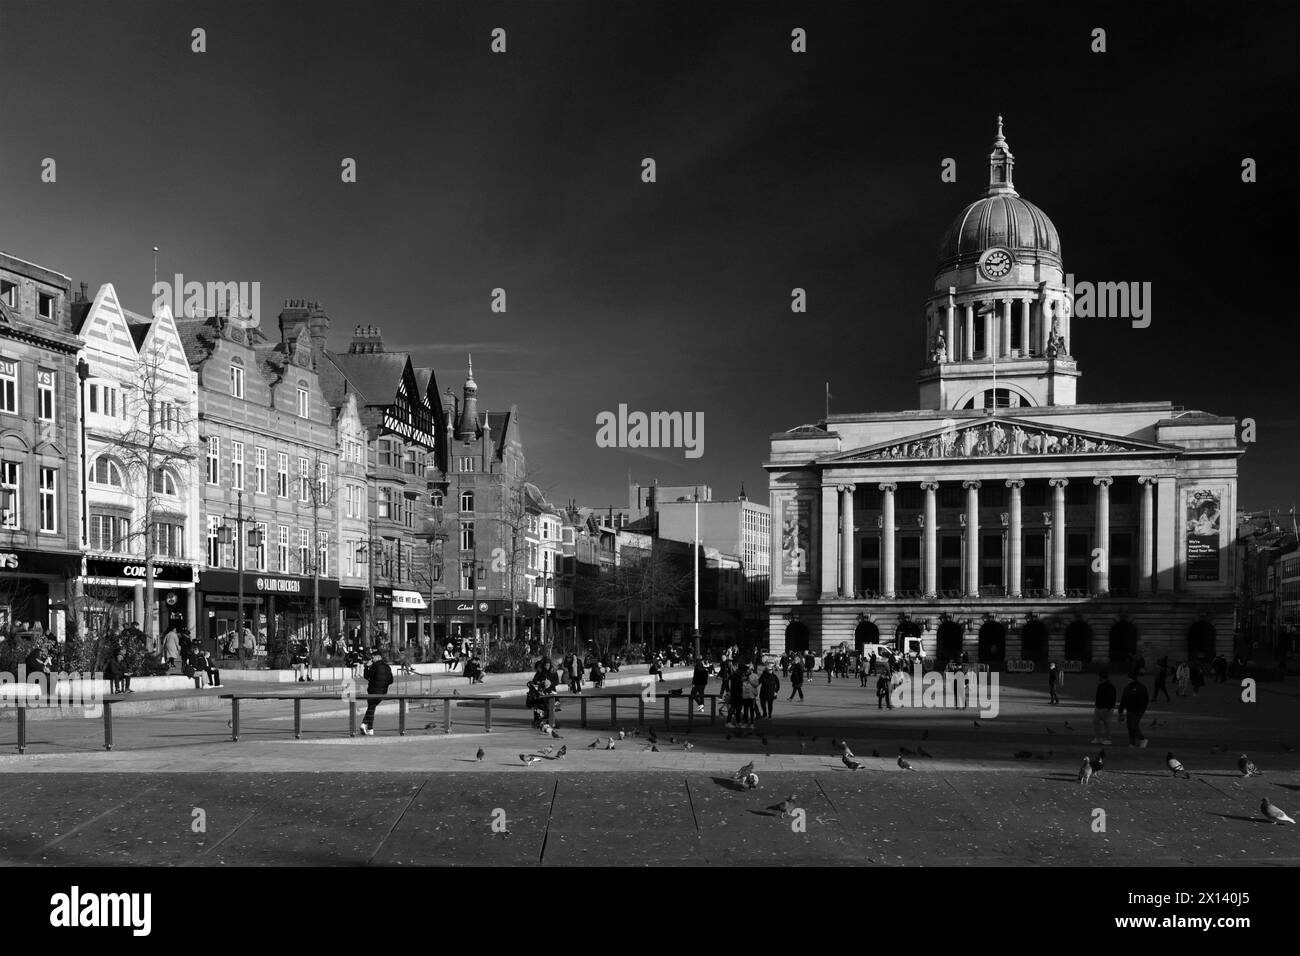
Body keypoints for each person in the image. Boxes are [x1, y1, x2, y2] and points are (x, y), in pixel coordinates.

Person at [360, 651, 394, 735]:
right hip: (383, 692)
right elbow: (391, 680)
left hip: (373, 691)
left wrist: (366, 667)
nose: (372, 659)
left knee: (371, 707)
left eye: (373, 657)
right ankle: (365, 725)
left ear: (378, 657)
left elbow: (366, 676)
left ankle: (369, 728)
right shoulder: (387, 667)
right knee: (372, 707)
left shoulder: (375, 666)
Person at [1117, 670, 1149, 748]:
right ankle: (1132, 742)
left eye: (1128, 678)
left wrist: (1141, 711)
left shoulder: (1141, 688)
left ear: (1132, 678)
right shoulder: (1127, 688)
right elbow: (1123, 700)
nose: (1127, 680)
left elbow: (1144, 701)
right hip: (1130, 710)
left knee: (1134, 726)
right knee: (1130, 727)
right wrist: (1120, 711)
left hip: (1137, 711)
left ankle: (1142, 739)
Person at [1091, 669, 1116, 745]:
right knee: (1096, 722)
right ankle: (1098, 738)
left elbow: (1112, 698)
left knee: (1107, 724)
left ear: (1101, 677)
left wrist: (1109, 708)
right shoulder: (1102, 684)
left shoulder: (1109, 686)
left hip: (1105, 708)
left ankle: (1108, 739)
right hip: (1099, 707)